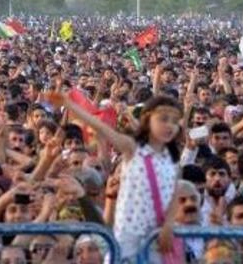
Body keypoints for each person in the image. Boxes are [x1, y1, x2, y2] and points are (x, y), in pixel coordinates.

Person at [61, 93, 183, 262]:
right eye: (163, 119)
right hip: (129, 237)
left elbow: (175, 193)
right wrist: (70, 105)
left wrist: (169, 224)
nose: (170, 125)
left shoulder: (172, 160)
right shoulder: (133, 148)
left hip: (157, 238)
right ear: (147, 120)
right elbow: (102, 128)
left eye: (174, 121)